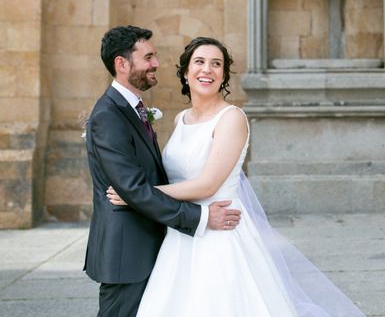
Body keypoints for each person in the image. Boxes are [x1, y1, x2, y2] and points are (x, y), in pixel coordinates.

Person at [108, 36, 365, 316]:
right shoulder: (181, 119)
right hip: (183, 232)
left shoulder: (232, 118)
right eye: (200, 62)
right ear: (185, 72)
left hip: (221, 234)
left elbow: (208, 185)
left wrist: (136, 194)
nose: (207, 69)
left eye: (216, 64)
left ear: (224, 75)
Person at [84, 26, 241, 317]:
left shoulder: (134, 109)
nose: (156, 63)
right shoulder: (108, 116)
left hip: (168, 241)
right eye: (149, 57)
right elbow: (133, 188)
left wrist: (135, 194)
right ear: (122, 64)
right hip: (127, 252)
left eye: (216, 64)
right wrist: (202, 217)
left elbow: (143, 188)